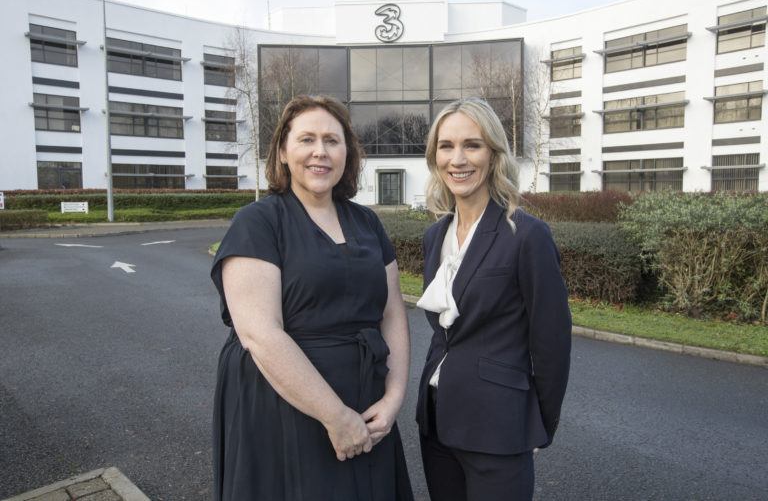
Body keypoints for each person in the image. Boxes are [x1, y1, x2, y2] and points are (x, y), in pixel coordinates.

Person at [210, 95, 414, 501]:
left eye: (332, 140)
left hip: (366, 408)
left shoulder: (367, 222)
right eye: (307, 139)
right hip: (284, 408)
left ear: (347, 153)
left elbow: (392, 315)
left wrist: (393, 400)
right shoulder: (259, 221)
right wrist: (335, 417)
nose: (320, 151)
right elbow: (260, 335)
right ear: (283, 152)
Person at [415, 97, 571, 501]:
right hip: (437, 423)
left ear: (494, 154)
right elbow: (446, 334)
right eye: (446, 146)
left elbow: (552, 342)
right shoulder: (435, 236)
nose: (458, 158)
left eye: (473, 144)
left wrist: (538, 422)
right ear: (435, 156)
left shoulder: (526, 234)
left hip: (499, 429)